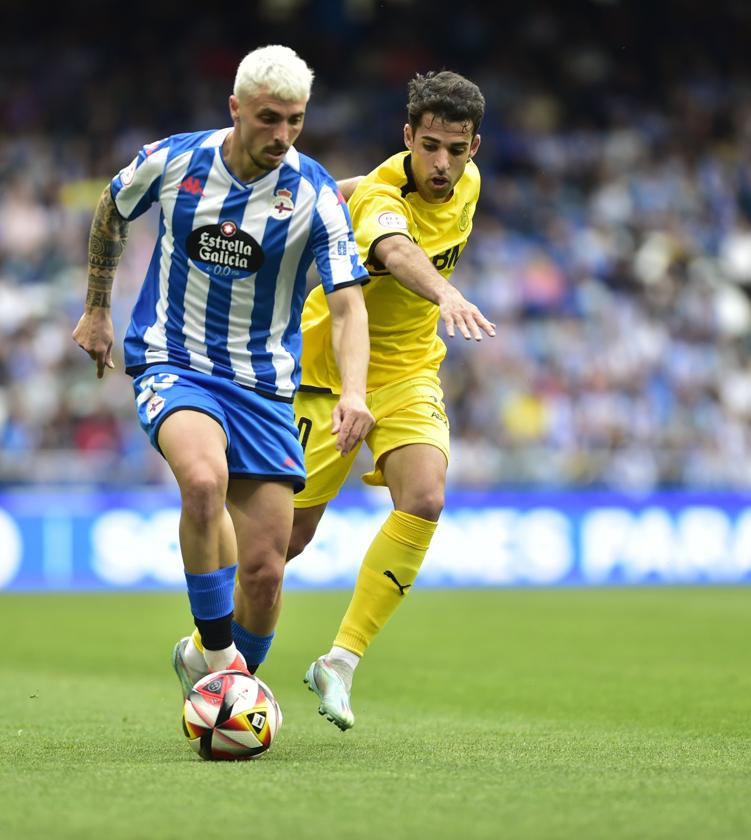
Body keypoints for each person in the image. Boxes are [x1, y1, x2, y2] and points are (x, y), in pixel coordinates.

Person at [72, 45, 374, 693]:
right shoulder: (175, 160)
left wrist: (353, 391)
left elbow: (348, 306)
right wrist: (97, 311)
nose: (283, 134)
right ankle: (217, 660)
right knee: (204, 482)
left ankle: (220, 680)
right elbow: (110, 208)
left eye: (295, 120)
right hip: (174, 362)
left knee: (265, 570)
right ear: (235, 108)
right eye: (269, 118)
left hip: (264, 387)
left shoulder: (313, 192)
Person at [290, 71, 495, 730]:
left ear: (474, 148)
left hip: (406, 371)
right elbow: (394, 247)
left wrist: (322, 192)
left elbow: (344, 192)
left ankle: (341, 662)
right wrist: (447, 295)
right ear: (407, 136)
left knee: (426, 496)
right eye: (429, 145)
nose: (441, 163)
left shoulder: (469, 184)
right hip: (323, 375)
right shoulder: (385, 194)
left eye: (455, 150)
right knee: (285, 542)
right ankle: (210, 645)